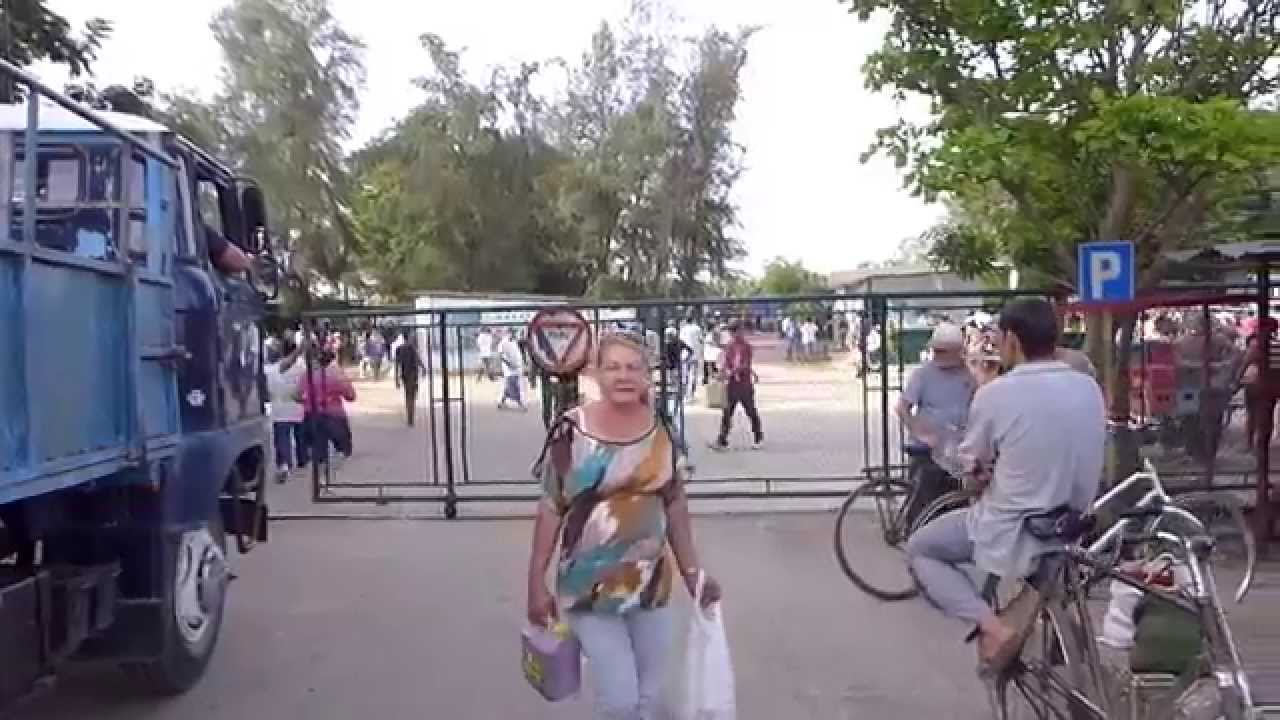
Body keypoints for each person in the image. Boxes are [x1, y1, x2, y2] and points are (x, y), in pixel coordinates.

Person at [525, 332, 722, 719]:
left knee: (649, 696)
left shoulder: (661, 429)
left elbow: (676, 504)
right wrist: (535, 582)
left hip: (650, 586)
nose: (623, 376)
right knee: (620, 700)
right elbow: (550, 507)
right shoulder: (571, 430)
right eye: (612, 367)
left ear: (648, 376)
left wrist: (693, 573)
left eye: (633, 367)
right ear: (596, 374)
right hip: (588, 590)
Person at [905, 299, 1105, 672]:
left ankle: (993, 627)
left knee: (921, 550)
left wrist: (976, 470)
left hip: (1015, 526)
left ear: (1012, 339)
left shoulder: (996, 393)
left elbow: (971, 461)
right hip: (1073, 520)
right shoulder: (1088, 388)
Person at [896, 323, 974, 527]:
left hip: (957, 447)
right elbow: (902, 407)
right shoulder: (923, 374)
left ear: (958, 351)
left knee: (956, 501)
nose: (939, 355)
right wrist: (917, 431)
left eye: (944, 351)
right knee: (924, 498)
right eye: (936, 350)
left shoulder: (968, 373)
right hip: (930, 449)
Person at [711, 319, 763, 450]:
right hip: (732, 384)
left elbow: (744, 364)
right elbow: (726, 362)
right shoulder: (730, 345)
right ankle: (722, 438)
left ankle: (758, 436)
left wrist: (732, 372)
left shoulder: (746, 346)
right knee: (727, 412)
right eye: (732, 331)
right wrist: (721, 373)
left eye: (736, 330)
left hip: (744, 384)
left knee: (750, 411)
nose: (734, 334)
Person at [298, 348, 357, 463]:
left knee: (318, 451)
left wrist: (308, 401)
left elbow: (296, 395)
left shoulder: (307, 376)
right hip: (334, 416)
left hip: (312, 415)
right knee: (344, 449)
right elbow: (351, 396)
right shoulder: (337, 376)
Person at [265, 337, 309, 481]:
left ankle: (285, 464)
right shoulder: (301, 366)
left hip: (280, 409)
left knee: (282, 438)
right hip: (297, 405)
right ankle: (302, 460)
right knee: (300, 436)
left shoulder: (268, 369)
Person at [394, 332, 427, 427]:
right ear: (408, 337)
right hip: (412, 374)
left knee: (408, 395)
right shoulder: (411, 348)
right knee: (412, 396)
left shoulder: (399, 349)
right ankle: (410, 417)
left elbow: (397, 364)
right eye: (411, 337)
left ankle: (410, 416)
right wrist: (423, 368)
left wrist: (396, 379)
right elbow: (417, 359)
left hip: (404, 375)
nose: (412, 339)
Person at [497, 330, 527, 411]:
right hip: (509, 369)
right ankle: (521, 404)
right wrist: (508, 364)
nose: (513, 334)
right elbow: (501, 355)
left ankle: (501, 402)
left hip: (516, 367)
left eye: (514, 332)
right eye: (512, 332)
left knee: (509, 387)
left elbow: (518, 353)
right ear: (507, 333)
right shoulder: (503, 343)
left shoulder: (514, 342)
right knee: (514, 386)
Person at [678, 316, 704, 397]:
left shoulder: (683, 329)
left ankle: (685, 392)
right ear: (693, 320)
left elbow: (680, 340)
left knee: (685, 373)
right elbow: (701, 340)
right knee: (693, 373)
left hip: (684, 353)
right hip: (695, 353)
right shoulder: (697, 328)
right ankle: (692, 392)